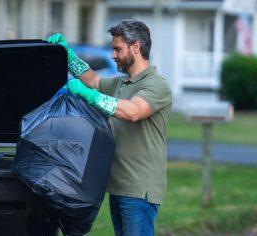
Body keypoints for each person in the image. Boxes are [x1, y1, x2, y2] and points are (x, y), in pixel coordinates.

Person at [47, 19, 172, 236]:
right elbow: (93, 80)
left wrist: (93, 97)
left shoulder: (156, 85)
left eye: (117, 49)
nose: (113, 55)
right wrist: (68, 55)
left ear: (136, 47)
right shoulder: (122, 84)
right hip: (119, 186)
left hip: (140, 188)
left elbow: (133, 111)